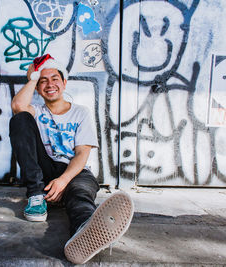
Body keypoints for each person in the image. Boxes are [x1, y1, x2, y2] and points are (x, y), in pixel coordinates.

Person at [9, 54, 134, 264]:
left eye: (55, 79)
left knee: (80, 195)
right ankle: (36, 197)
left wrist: (63, 181)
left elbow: (82, 154)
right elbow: (18, 106)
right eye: (43, 81)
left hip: (74, 171)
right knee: (19, 119)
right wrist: (32, 77)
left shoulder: (80, 113)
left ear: (64, 83)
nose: (50, 84)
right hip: (44, 171)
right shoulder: (36, 111)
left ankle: (85, 231)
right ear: (38, 89)